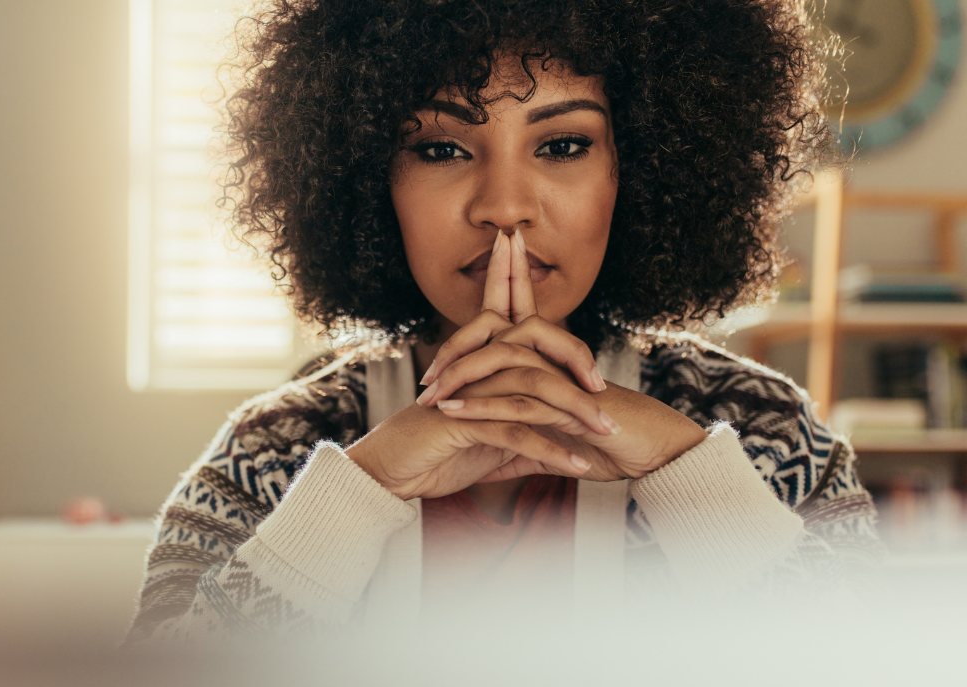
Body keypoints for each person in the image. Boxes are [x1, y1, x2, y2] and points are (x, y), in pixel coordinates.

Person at [126, 0, 883, 641]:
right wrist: (366, 486)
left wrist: (681, 469)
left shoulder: (760, 430)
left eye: (562, 145)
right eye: (441, 147)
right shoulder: (279, 449)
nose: (505, 204)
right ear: (366, 178)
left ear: (641, 170)